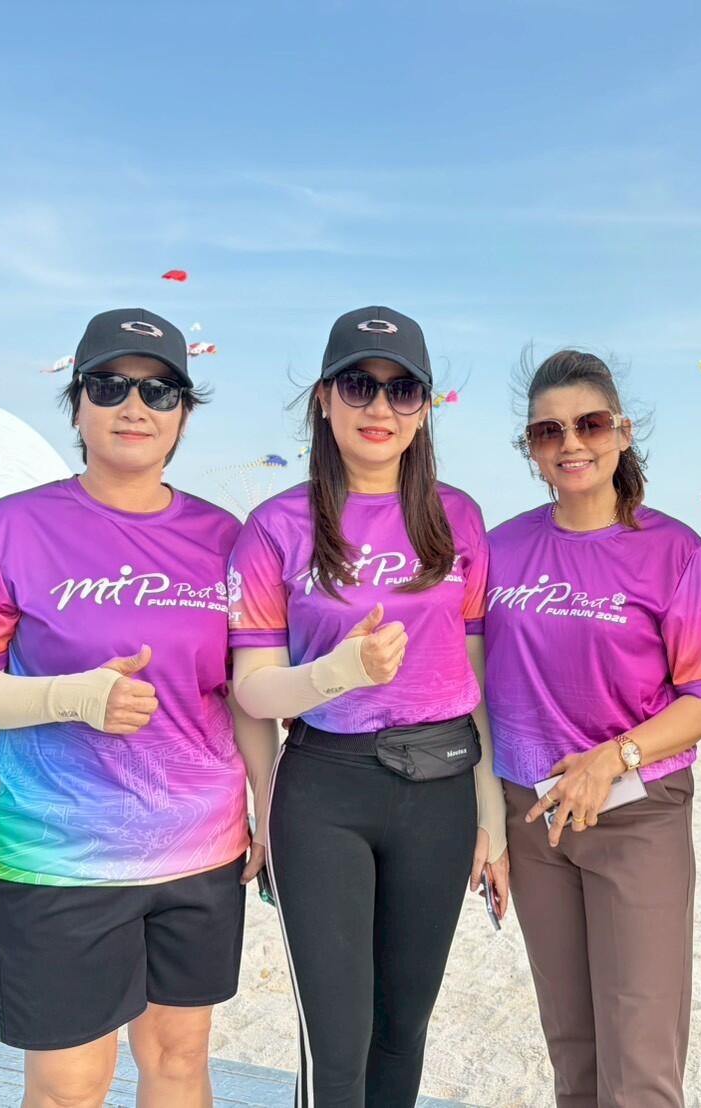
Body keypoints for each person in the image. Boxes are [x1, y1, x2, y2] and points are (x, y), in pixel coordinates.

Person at [0, 308, 274, 1108]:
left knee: (179, 1061)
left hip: (203, 851)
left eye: (160, 391)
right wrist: (70, 696)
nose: (135, 406)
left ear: (184, 414)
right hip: (61, 856)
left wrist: (271, 806)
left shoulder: (225, 536)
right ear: (77, 402)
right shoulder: (12, 527)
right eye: (110, 385)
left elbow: (246, 694)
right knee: (69, 1086)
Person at [227, 306, 508, 1108]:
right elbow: (252, 687)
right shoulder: (275, 526)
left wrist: (490, 816)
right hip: (324, 791)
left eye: (401, 389)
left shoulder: (458, 517)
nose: (380, 407)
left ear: (424, 408)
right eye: (358, 384)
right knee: (337, 1043)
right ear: (323, 399)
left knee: (401, 1031)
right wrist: (336, 673)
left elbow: (475, 673)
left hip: (441, 789)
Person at [484, 350, 701, 1107]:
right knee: (573, 1053)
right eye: (548, 431)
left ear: (622, 433)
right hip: (532, 816)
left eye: (590, 424)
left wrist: (614, 758)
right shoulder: (497, 549)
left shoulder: (674, 551)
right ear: (531, 449)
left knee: (639, 1064)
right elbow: (463, 680)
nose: (571, 443)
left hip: (636, 814)